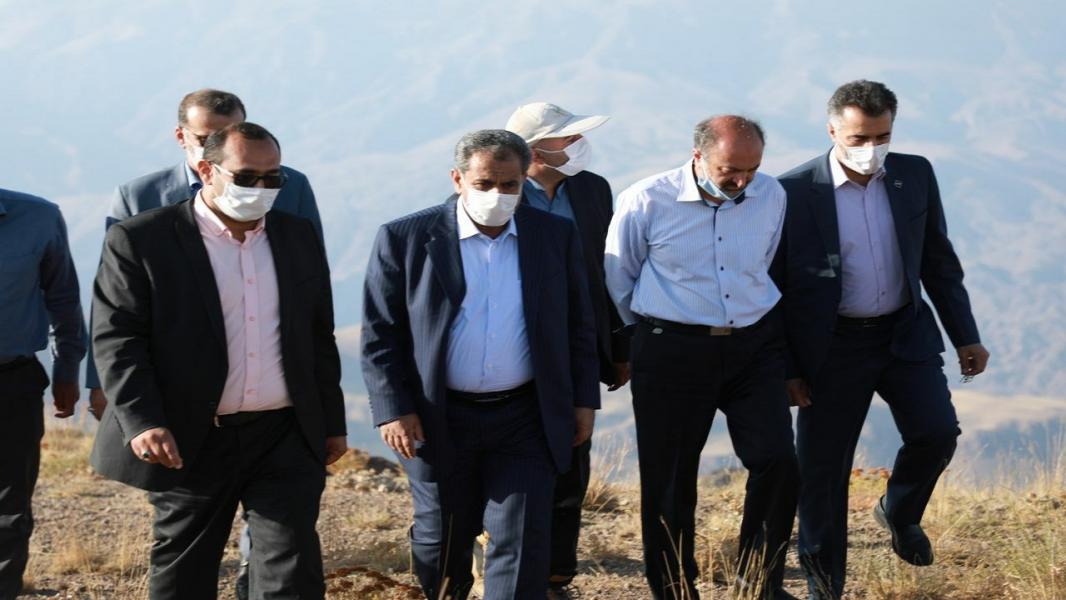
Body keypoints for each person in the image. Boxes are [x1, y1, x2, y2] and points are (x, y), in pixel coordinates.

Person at [90, 122, 347, 600]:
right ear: (207, 170)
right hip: (191, 435)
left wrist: (331, 422)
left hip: (284, 433)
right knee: (185, 569)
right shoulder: (143, 240)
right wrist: (143, 420)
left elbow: (317, 335)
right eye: (246, 177)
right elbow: (117, 340)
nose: (261, 188)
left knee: (291, 568)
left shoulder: (297, 236)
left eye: (273, 178)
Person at [361, 129, 599, 600]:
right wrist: (393, 409)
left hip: (525, 417)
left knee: (522, 538)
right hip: (437, 417)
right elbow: (380, 332)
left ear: (524, 180)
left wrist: (582, 400)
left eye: (509, 185)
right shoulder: (406, 237)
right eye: (485, 184)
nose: (497, 195)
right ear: (458, 179)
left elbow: (578, 323)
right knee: (441, 541)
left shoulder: (552, 235)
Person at [776, 80, 990, 600]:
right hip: (832, 348)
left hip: (903, 333)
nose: (871, 149)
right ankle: (824, 588)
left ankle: (899, 509)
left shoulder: (914, 174)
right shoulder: (792, 191)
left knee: (937, 433)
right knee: (822, 473)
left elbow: (937, 259)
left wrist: (965, 335)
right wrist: (788, 368)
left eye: (882, 136)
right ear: (832, 131)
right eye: (859, 138)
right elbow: (776, 287)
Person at [605, 116, 799, 600]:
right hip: (671, 349)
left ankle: (758, 582)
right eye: (729, 170)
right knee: (670, 477)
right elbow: (619, 276)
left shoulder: (772, 195)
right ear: (698, 156)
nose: (742, 181)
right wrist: (653, 330)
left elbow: (764, 260)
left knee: (777, 459)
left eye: (751, 170)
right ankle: (674, 588)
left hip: (752, 346)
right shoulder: (646, 199)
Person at [505, 101, 629, 597]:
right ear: (536, 151)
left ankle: (557, 576)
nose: (580, 145)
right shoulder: (500, 193)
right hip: (513, 350)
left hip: (577, 348)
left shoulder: (592, 189)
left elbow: (608, 271)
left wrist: (618, 346)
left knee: (572, 460)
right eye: (569, 138)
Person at [0, 188, 86, 599]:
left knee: (9, 508)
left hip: (11, 382)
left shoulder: (38, 217)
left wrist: (66, 368)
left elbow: (63, 297)